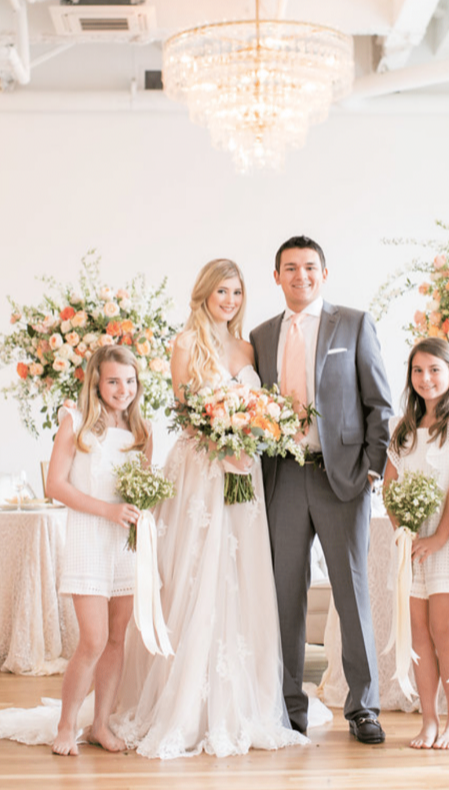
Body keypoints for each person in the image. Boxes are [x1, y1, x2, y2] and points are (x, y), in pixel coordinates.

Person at [111, 259, 309, 758]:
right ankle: (183, 701)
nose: (229, 300)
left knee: (241, 576)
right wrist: (223, 440)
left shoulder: (247, 347)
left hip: (243, 474)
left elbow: (264, 405)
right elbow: (184, 409)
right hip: (202, 469)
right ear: (203, 294)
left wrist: (251, 435)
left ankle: (243, 699)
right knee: (196, 574)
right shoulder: (186, 344)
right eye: (221, 291)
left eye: (236, 292)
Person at [250, 236, 393, 744]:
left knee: (351, 593)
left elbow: (380, 402)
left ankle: (363, 707)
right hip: (282, 477)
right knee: (283, 596)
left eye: (309, 267)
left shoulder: (352, 323)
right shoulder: (261, 335)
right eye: (290, 268)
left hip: (343, 480)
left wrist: (373, 468)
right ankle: (290, 708)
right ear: (276, 277)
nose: (300, 276)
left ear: (324, 273)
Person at [0, 344, 152, 755]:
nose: (122, 389)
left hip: (125, 543)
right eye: (113, 381)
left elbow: (142, 491)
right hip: (88, 538)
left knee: (118, 639)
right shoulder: (75, 422)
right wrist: (108, 511)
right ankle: (65, 725)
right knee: (92, 640)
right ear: (96, 381)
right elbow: (56, 485)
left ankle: (100, 725)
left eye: (129, 381)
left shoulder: (142, 432)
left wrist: (141, 511)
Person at [383, 337, 449, 750]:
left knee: (444, 629)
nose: (426, 379)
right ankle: (429, 721)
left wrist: (439, 537)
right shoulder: (401, 428)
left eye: (435, 370)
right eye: (418, 371)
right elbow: (389, 485)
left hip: (447, 536)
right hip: (412, 542)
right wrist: (403, 531)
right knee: (417, 632)